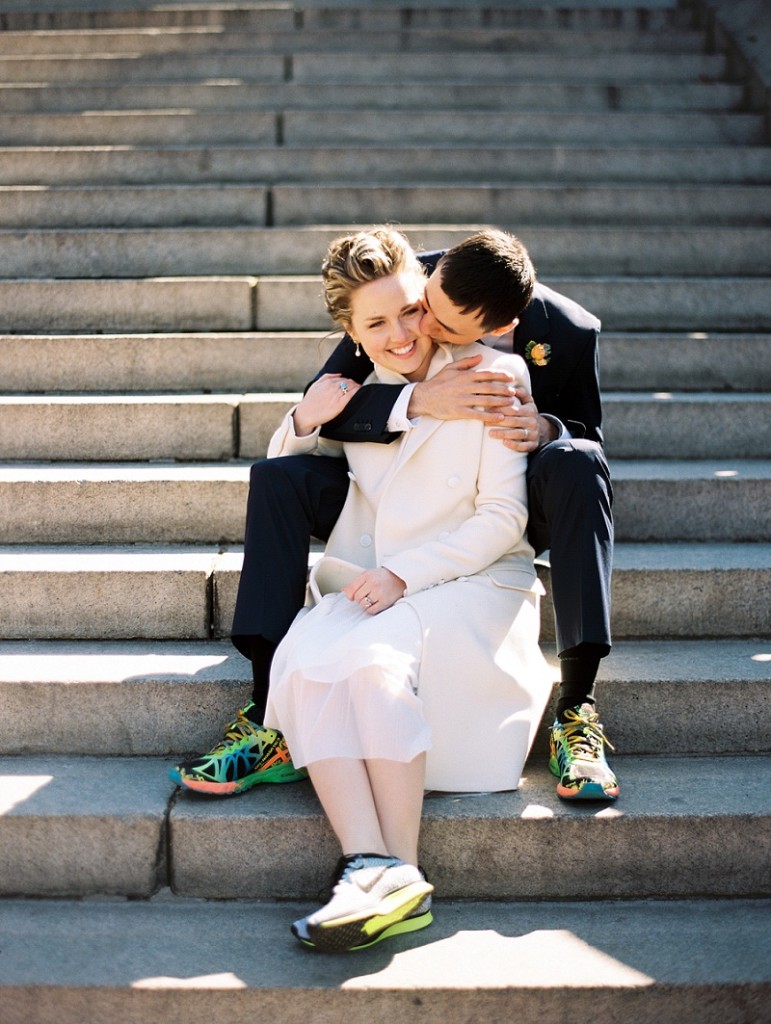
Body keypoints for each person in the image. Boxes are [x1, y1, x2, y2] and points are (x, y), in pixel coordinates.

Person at [169, 227, 617, 802]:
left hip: (517, 484)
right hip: (391, 484)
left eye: (439, 324)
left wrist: (546, 429)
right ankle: (267, 711)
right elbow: (329, 403)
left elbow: (587, 435)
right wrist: (418, 399)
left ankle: (576, 708)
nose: (420, 329)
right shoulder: (397, 289)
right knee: (277, 477)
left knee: (578, 463)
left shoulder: (568, 334)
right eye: (419, 307)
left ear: (497, 329)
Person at [262, 227, 552, 950]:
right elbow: (282, 459)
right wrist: (305, 418)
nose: (401, 334)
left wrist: (403, 576)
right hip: (382, 583)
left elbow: (503, 517)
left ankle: (392, 871)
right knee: (303, 654)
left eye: (410, 311)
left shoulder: (489, 373)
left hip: (473, 580)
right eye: (375, 323)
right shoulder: (362, 394)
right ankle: (374, 867)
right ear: (350, 333)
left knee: (368, 661)